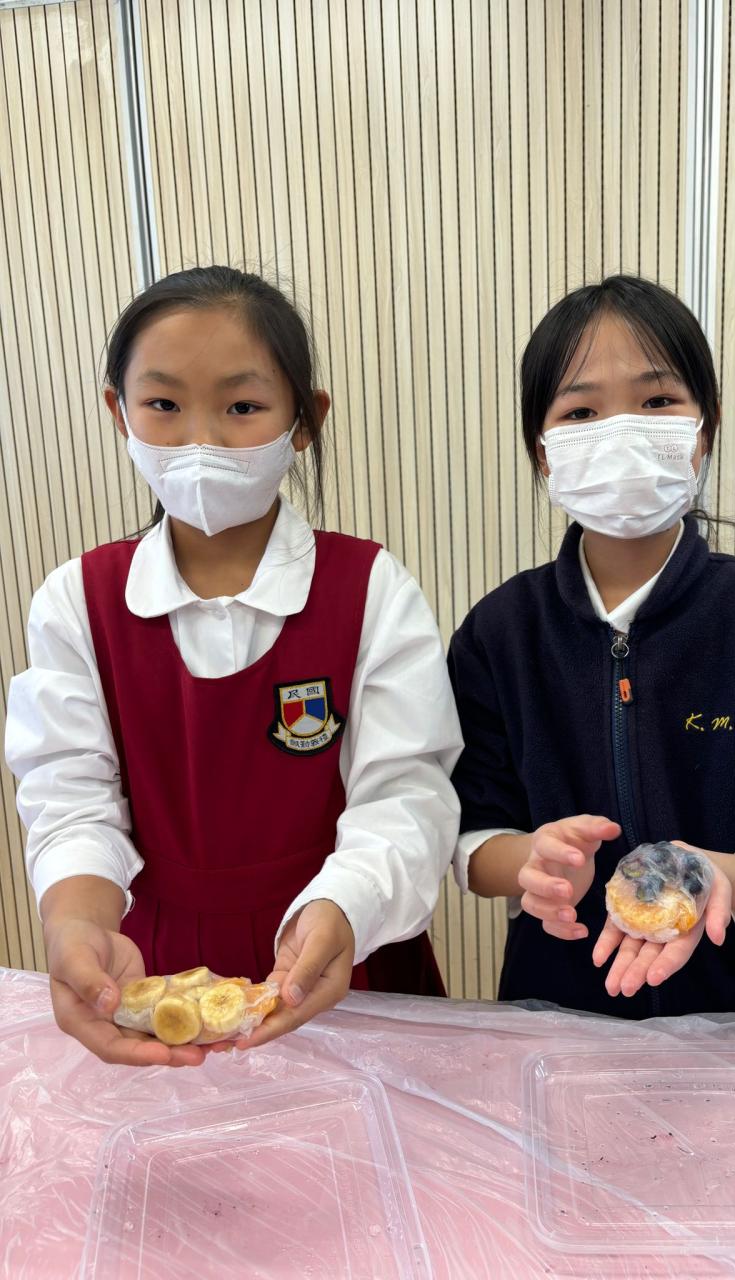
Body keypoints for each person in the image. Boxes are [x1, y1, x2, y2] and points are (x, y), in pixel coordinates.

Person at [5, 266, 462, 1067]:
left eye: (242, 407)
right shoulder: (78, 601)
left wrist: (345, 905)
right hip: (154, 973)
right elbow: (70, 800)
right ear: (118, 412)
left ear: (305, 420)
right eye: (164, 404)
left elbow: (406, 797)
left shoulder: (370, 588)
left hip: (342, 958)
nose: (201, 441)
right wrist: (75, 922)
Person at [448, 274, 735, 1020]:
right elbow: (469, 832)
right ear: (544, 452)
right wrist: (535, 862)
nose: (620, 431)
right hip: (563, 1014)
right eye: (581, 411)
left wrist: (709, 876)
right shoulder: (500, 633)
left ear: (703, 430)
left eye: (655, 402)